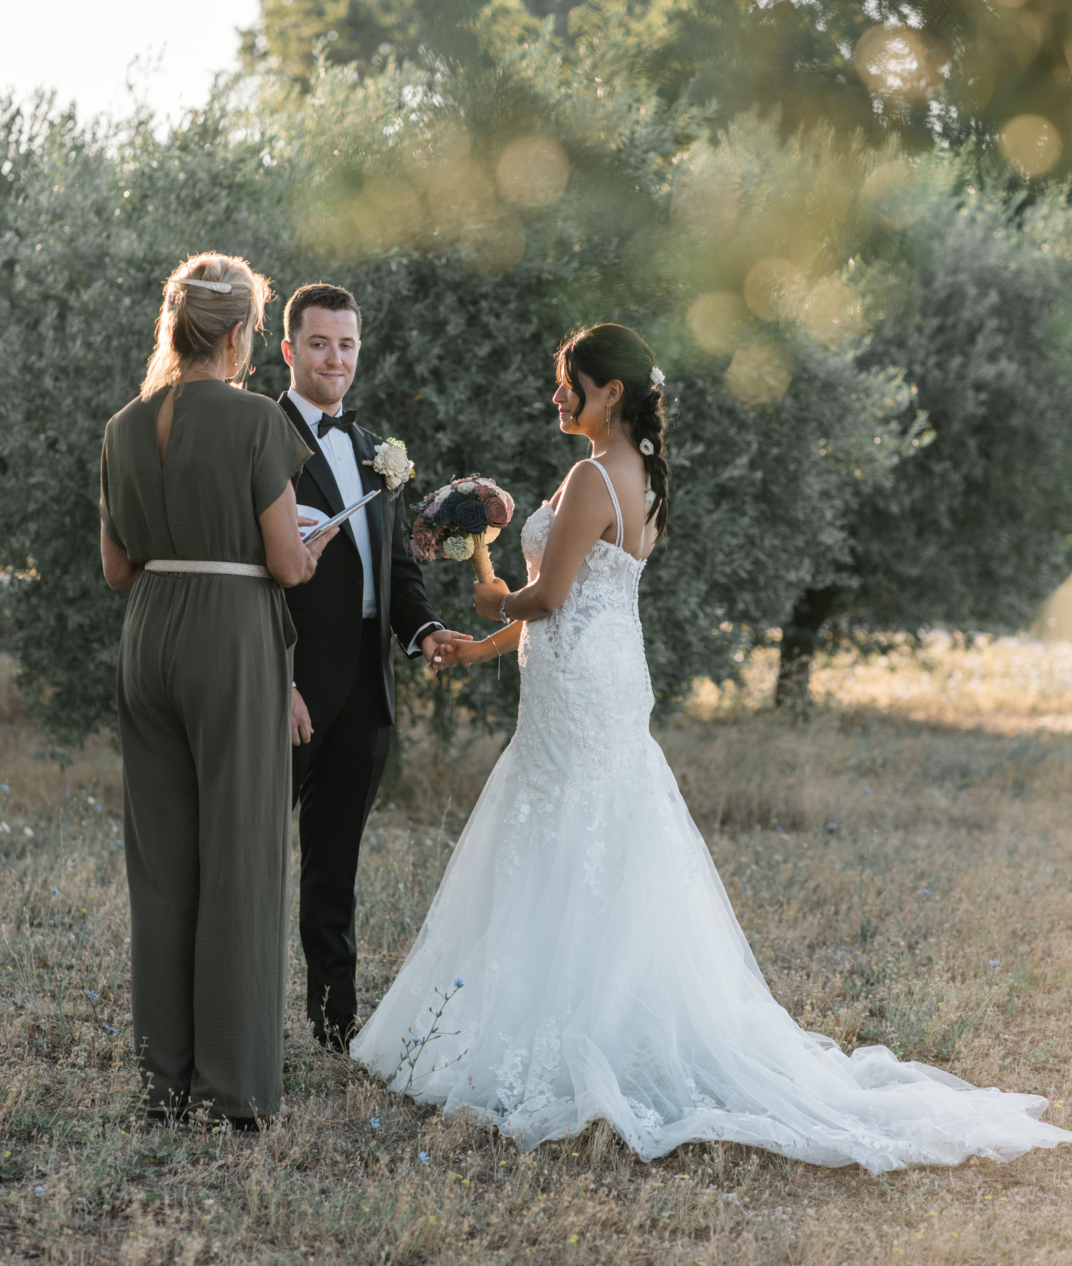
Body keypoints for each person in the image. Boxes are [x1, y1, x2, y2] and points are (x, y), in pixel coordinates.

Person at [350, 322, 1070, 1173]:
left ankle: (564, 1038)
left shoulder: (588, 476)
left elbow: (546, 602)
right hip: (602, 674)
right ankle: (595, 1017)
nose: (556, 396)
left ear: (608, 394)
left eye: (567, 381)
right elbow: (583, 607)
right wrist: (478, 648)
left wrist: (484, 575)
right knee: (597, 832)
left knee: (564, 826)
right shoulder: (640, 478)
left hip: (582, 682)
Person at [100, 253, 337, 1126]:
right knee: (239, 855)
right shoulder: (252, 422)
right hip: (229, 631)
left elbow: (116, 568)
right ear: (240, 333)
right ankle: (232, 1089)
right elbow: (285, 561)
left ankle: (164, 1081)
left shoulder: (124, 425)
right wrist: (312, 547)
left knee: (161, 864)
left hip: (149, 630)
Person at [277, 283, 470, 1051]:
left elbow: (394, 569)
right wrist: (279, 677)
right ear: (288, 350)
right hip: (284, 685)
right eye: (320, 343)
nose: (335, 358)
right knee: (254, 855)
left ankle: (334, 1026)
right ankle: (243, 1019)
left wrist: (421, 631)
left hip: (364, 686)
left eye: (347, 344)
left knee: (335, 866)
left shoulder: (374, 447)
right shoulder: (261, 439)